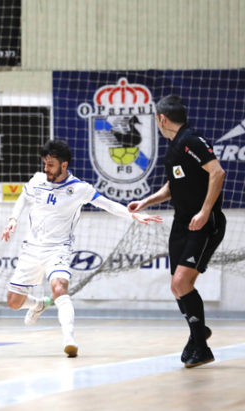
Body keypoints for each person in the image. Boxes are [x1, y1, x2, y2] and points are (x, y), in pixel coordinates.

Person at [1, 140, 162, 358]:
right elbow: (22, 197)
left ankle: (69, 340)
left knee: (59, 288)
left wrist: (132, 214)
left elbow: (107, 204)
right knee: (13, 302)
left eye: (50, 165)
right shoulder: (38, 180)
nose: (46, 169)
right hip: (32, 249)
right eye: (44, 164)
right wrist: (13, 219)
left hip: (57, 249)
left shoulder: (79, 188)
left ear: (64, 165)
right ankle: (38, 304)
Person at [128, 95, 226, 368]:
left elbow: (217, 173)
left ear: (162, 119)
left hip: (204, 223)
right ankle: (199, 332)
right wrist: (146, 201)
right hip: (181, 223)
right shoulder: (174, 147)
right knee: (176, 287)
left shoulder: (192, 140)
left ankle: (201, 346)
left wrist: (205, 211)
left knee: (182, 283)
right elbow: (172, 187)